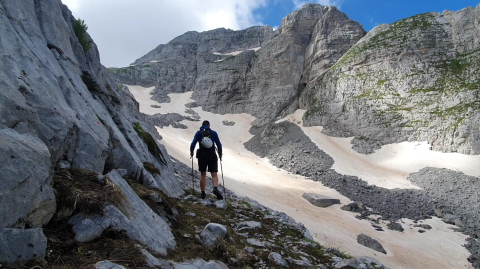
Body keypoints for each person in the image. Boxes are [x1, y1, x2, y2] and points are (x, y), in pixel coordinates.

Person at [190, 120, 223, 200]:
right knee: (214, 174)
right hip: (212, 155)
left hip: (202, 155)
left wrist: (191, 152)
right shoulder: (213, 133)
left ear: (202, 125)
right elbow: (219, 144)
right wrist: (220, 154)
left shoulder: (198, 133)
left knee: (203, 174)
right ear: (209, 125)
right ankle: (215, 188)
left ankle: (203, 193)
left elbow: (193, 143)